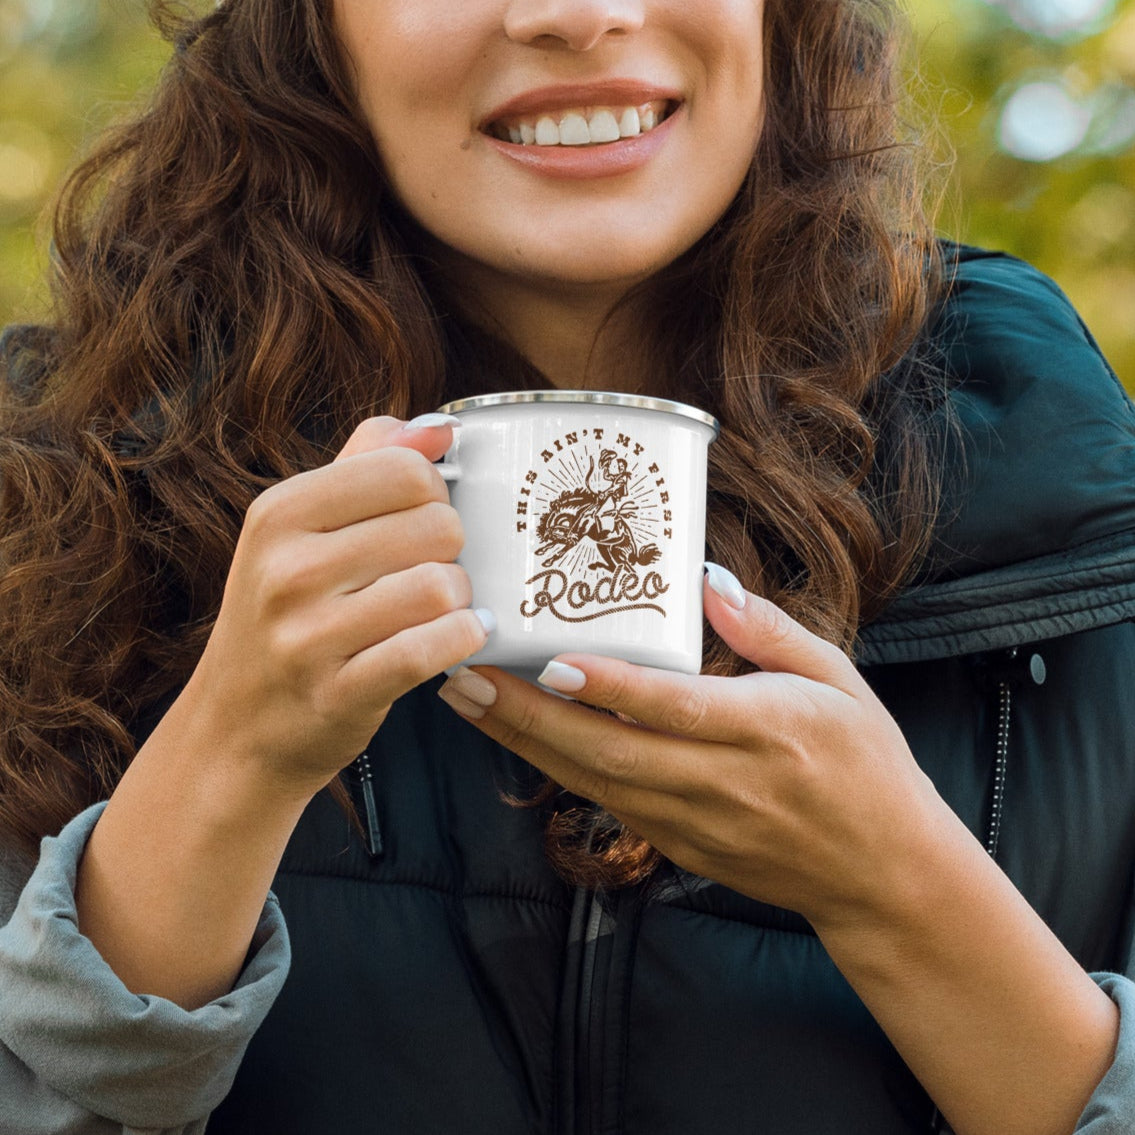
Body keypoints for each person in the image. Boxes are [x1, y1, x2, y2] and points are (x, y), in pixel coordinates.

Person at [1, 0, 1133, 1132]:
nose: (578, 15)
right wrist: (223, 762)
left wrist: (898, 892)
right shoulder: (57, 505)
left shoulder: (1063, 492)